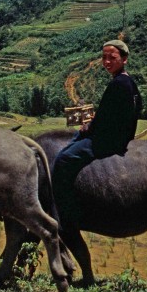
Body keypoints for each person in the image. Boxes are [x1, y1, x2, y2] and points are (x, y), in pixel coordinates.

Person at [52, 39, 142, 230]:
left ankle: (65, 211)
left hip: (108, 141)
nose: (107, 62)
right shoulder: (129, 83)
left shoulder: (117, 84)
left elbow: (105, 121)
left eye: (113, 57)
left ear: (124, 59)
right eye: (104, 58)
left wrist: (88, 128)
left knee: (63, 159)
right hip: (119, 136)